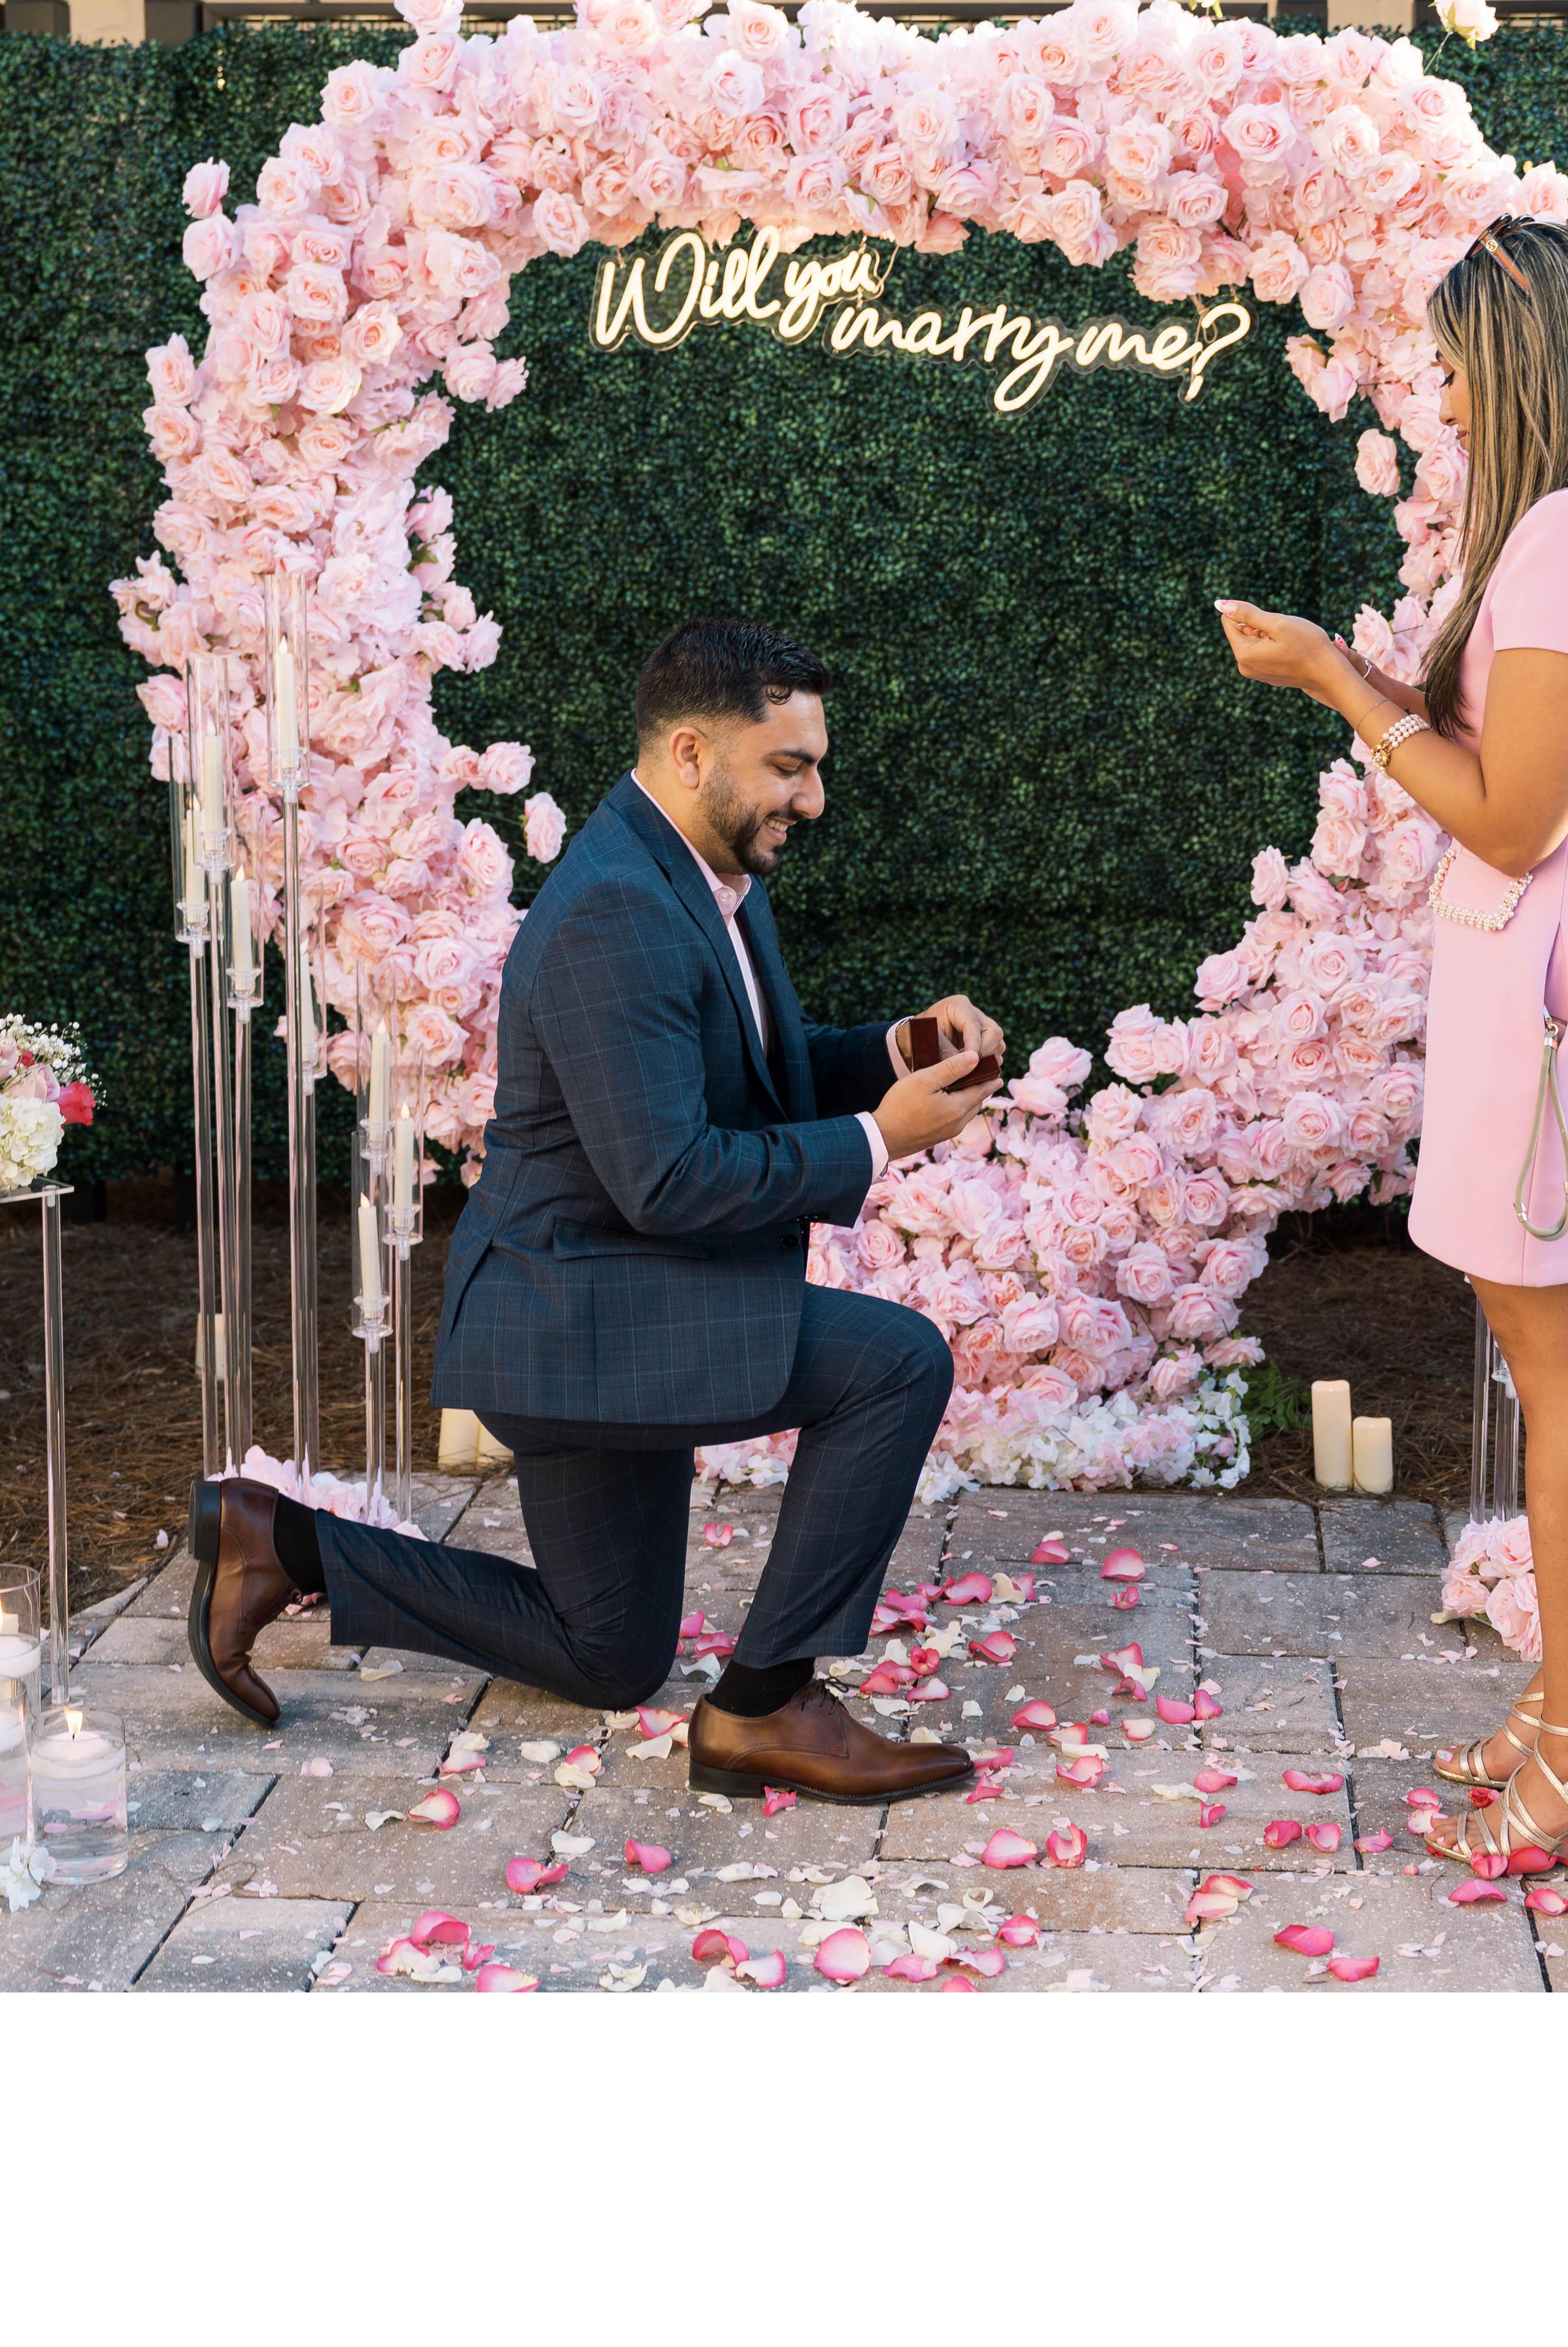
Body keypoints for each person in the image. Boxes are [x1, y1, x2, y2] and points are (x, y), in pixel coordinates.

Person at [186, 616, 1005, 1805]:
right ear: (691, 751)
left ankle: (277, 1541)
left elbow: (753, 1073)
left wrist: (896, 1048)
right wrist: (883, 1137)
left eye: (816, 766)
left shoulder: (707, 874)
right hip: (578, 1320)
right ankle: (764, 1708)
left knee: (607, 1654)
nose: (814, 798)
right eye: (789, 767)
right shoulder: (616, 908)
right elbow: (668, 1179)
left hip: (610, 1296)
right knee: (895, 1362)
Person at [1215, 217, 1568, 1875]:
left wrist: (1336, 685)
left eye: (1454, 369)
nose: (1442, 399)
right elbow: (1550, 753)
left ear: (1521, 359)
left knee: (1564, 1354)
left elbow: (1513, 816)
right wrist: (1379, 682)